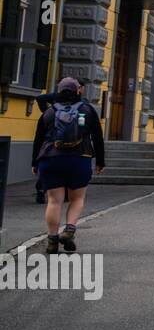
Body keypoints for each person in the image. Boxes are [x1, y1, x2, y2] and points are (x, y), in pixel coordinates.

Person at [31, 77, 105, 254]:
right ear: (77, 91)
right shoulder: (87, 110)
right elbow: (97, 137)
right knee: (77, 198)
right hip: (79, 158)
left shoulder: (49, 113)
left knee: (54, 201)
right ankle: (69, 230)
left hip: (51, 158)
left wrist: (34, 162)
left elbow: (38, 139)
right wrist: (100, 161)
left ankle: (52, 241)